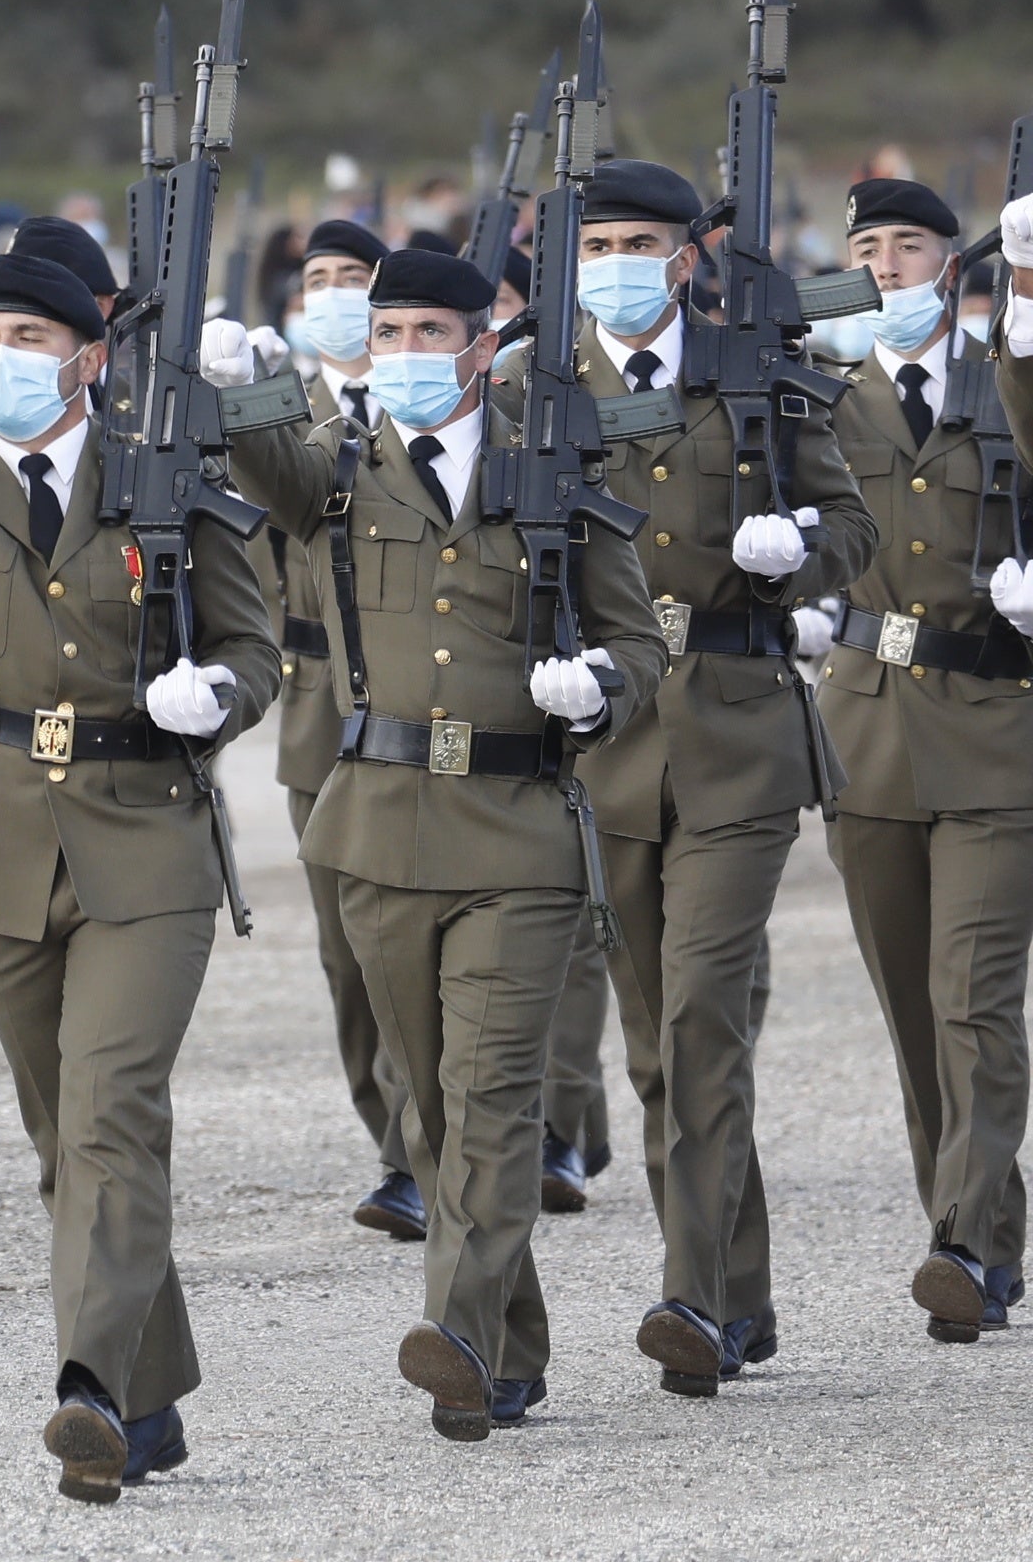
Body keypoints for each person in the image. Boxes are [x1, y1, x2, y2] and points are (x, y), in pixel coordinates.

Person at [0, 237, 278, 1500]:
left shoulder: (164, 485)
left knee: (109, 1115)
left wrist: (221, 695)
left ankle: (86, 1386)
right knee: (62, 1134)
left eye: (30, 341)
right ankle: (148, 1398)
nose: (3, 362)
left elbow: (260, 649)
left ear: (89, 357)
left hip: (145, 835)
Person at [234, 241, 662, 1444]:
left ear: (486, 344)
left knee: (488, 1103)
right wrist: (229, 384)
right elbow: (262, 462)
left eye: (434, 334)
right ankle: (511, 1353)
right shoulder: (337, 469)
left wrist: (601, 687)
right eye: (391, 334)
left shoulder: (556, 468)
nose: (409, 355)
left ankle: (459, 1333)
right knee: (426, 1104)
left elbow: (640, 643)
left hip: (519, 832)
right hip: (375, 824)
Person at [544, 159, 872, 1395]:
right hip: (611, 742)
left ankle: (692, 1301)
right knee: (650, 1046)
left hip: (737, 735)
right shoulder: (542, 381)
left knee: (698, 1021)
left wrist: (797, 555)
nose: (619, 265)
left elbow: (853, 527)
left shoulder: (756, 375)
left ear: (688, 256)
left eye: (642, 243)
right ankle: (744, 1293)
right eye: (600, 244)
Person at [826, 177, 1033, 1343]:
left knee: (973, 1002)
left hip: (998, 722)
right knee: (914, 1014)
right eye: (870, 247)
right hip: (867, 728)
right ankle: (985, 1238)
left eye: (912, 243)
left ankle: (960, 1241)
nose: (892, 264)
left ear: (954, 265)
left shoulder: (1008, 378)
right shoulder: (812, 402)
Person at [258, 215, 429, 1234]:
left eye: (350, 276)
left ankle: (423, 1148)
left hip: (418, 702)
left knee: (416, 934)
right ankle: (391, 1134)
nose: (330, 292)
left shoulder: (439, 402)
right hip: (318, 702)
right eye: (316, 276)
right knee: (346, 950)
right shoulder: (283, 415)